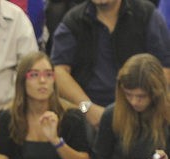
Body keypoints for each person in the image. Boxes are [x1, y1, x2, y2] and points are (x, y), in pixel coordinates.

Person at [50, 0, 170, 130]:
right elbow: (59, 71)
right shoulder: (72, 21)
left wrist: (142, 106)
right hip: (89, 113)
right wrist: (87, 108)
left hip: (142, 112)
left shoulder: (147, 14)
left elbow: (164, 67)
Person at [90, 54, 170, 159]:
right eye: (128, 94)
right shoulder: (112, 114)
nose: (134, 101)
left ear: (156, 94)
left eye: (141, 96)